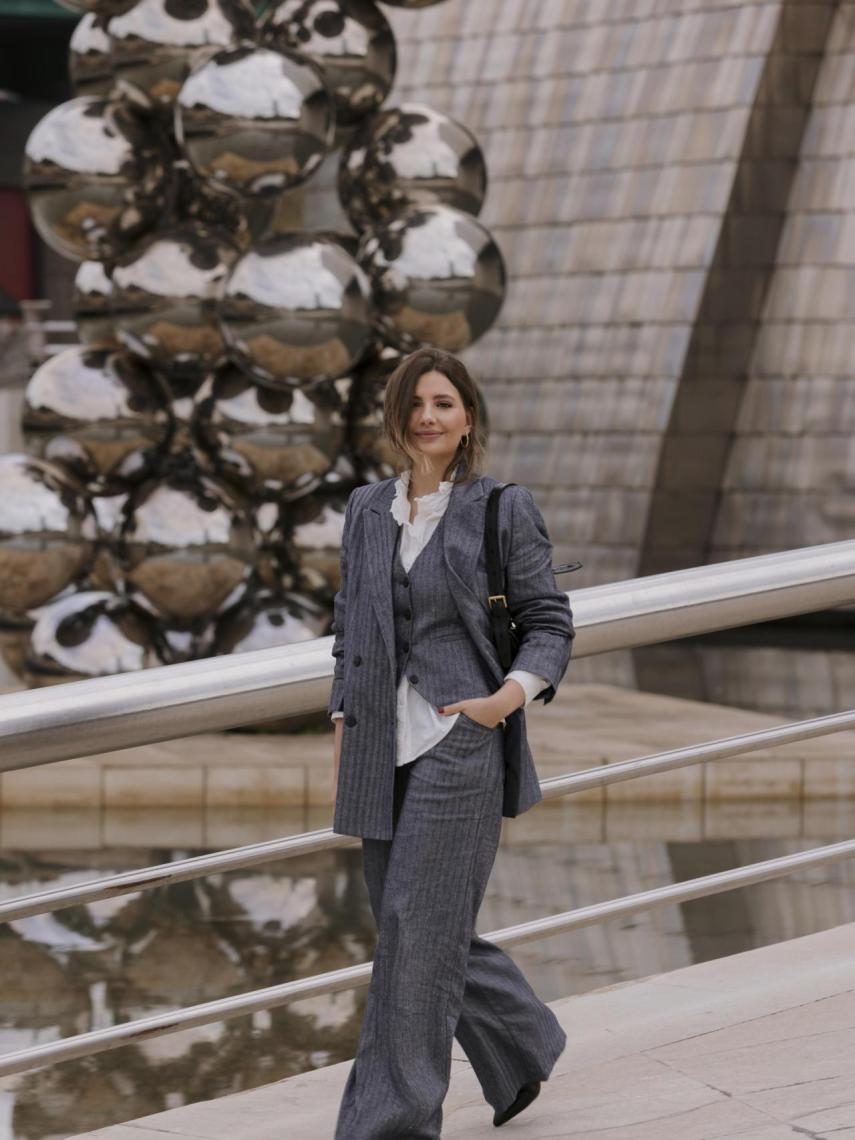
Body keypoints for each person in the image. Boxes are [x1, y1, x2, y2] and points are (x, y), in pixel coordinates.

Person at [328, 346, 575, 1138]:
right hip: (374, 748)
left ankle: (389, 1124)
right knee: (420, 929)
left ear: (468, 416)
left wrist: (500, 703)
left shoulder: (501, 507)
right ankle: (522, 1043)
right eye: (414, 404)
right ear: (396, 416)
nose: (428, 417)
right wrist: (340, 717)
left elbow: (547, 622)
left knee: (411, 928)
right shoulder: (367, 508)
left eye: (444, 403)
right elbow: (348, 628)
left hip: (458, 741)